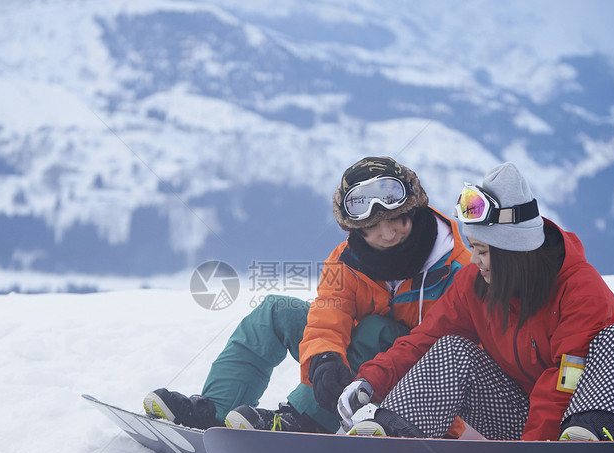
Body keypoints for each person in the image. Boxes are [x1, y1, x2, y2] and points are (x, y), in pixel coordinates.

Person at [143, 156, 471, 434]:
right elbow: (329, 316)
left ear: (412, 211)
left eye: (397, 219)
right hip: (356, 374)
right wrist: (324, 359)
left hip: (419, 396)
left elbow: (459, 355)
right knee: (276, 310)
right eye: (372, 226)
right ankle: (214, 414)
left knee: (375, 329)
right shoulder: (347, 261)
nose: (387, 233)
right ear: (355, 228)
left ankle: (302, 421)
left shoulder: (456, 268)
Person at [339, 162, 614, 441]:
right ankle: (391, 442)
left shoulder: (580, 288)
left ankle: (585, 445)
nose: (474, 260)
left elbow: (565, 380)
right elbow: (424, 340)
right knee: (453, 350)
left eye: (482, 250)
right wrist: (371, 379)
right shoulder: (474, 285)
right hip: (533, 423)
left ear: (513, 250)